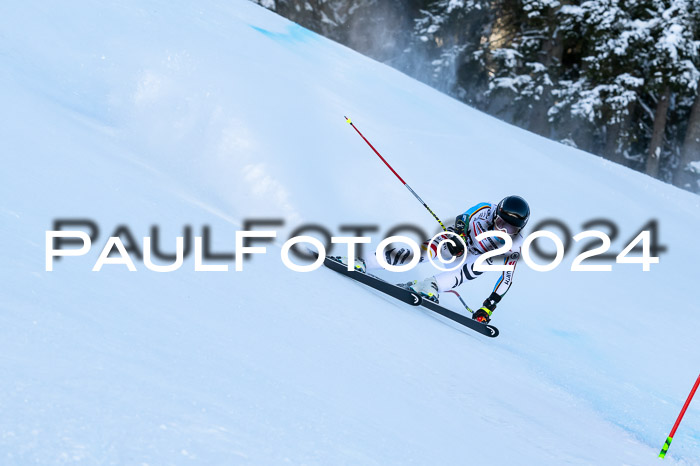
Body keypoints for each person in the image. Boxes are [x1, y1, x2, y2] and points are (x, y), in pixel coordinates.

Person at [340, 195, 529, 324]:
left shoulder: (515, 245)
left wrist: (488, 308)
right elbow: (462, 218)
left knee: (484, 264)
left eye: (510, 229)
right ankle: (364, 261)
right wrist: (459, 235)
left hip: (470, 261)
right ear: (496, 215)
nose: (502, 231)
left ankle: (431, 286)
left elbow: (506, 278)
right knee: (426, 251)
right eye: (501, 223)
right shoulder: (487, 209)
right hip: (456, 245)